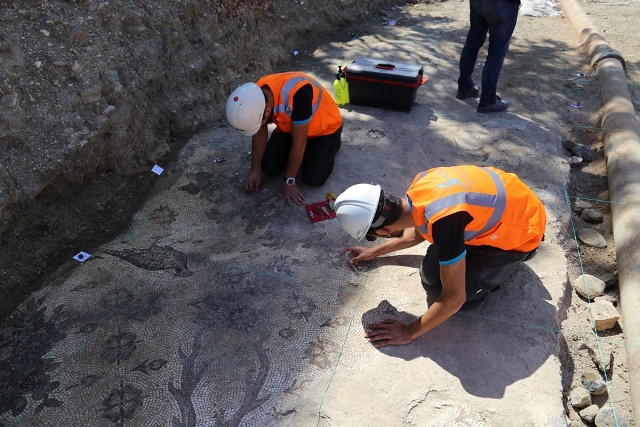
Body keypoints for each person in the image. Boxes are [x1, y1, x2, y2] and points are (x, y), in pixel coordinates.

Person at [334, 165, 546, 348]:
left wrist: (409, 332)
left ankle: (513, 261)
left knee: (462, 299)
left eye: (372, 238)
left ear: (382, 231)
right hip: (504, 208)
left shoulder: (444, 221)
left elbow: (454, 298)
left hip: (522, 230)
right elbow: (416, 233)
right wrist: (374, 252)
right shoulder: (421, 186)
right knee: (430, 276)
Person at [226, 72, 343, 206]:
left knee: (313, 178)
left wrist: (289, 180)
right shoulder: (255, 94)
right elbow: (259, 132)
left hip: (324, 130)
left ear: (267, 111)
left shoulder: (299, 94)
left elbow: (299, 141)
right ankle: (303, 154)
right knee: (269, 168)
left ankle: (332, 143)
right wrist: (254, 170)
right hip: (290, 128)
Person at [456, 0, 521, 113]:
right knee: (497, 52)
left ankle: (464, 87)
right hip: (503, 5)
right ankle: (488, 100)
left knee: (472, 43)